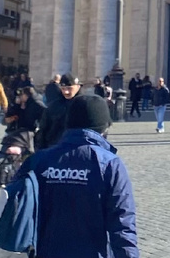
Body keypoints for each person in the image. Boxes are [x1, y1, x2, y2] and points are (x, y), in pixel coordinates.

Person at [18, 94, 138, 258]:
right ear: (104, 127)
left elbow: (16, 208)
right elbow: (122, 223)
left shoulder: (38, 160)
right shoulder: (110, 164)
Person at [35, 74, 81, 150]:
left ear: (78, 87)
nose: (66, 92)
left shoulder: (85, 105)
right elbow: (44, 128)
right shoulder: (53, 106)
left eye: (69, 88)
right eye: (63, 89)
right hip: (54, 146)